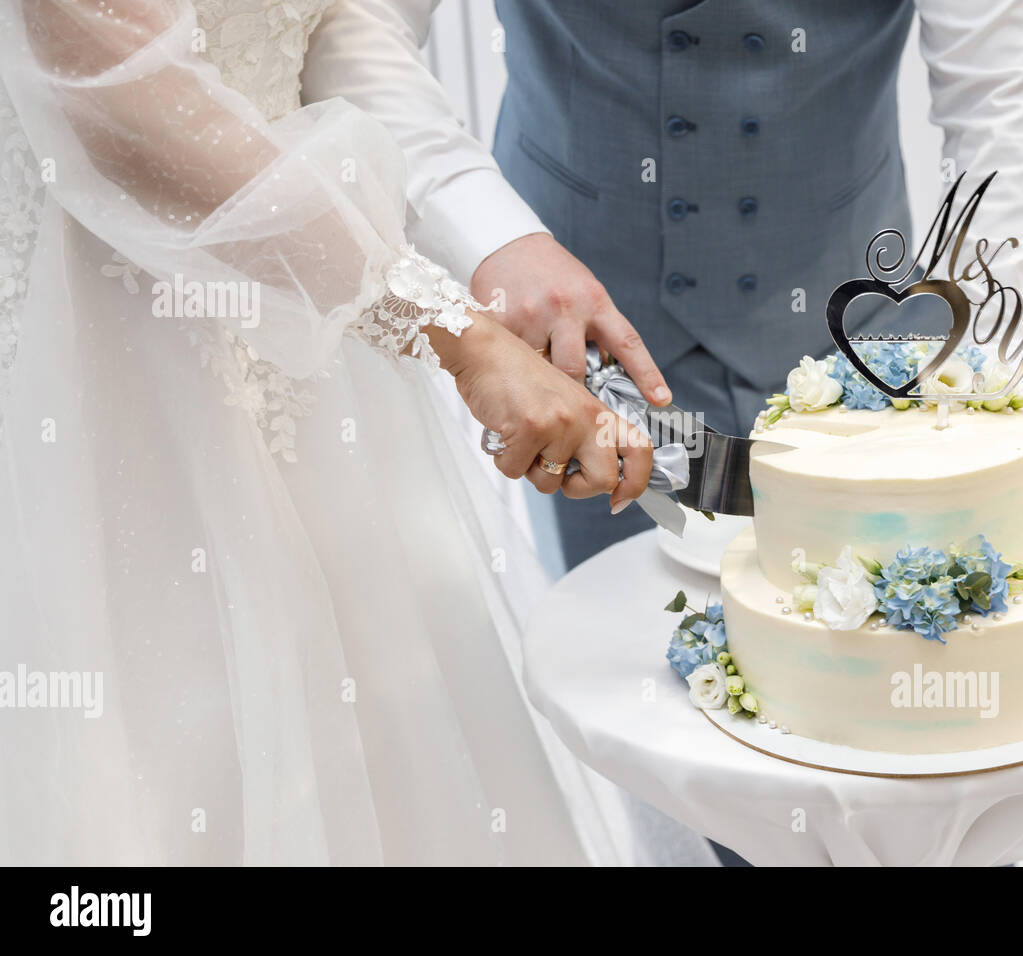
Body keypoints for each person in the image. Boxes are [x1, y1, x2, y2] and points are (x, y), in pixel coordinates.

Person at [0, 0, 714, 865]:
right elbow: (121, 107)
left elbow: (348, 17)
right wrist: (457, 334)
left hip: (320, 321)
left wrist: (490, 240)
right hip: (106, 346)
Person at [306, 0, 1023, 617]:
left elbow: (1008, 101)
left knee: (926, 735)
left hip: (866, 337)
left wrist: (984, 401)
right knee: (658, 718)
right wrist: (489, 234)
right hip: (586, 352)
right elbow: (354, 22)